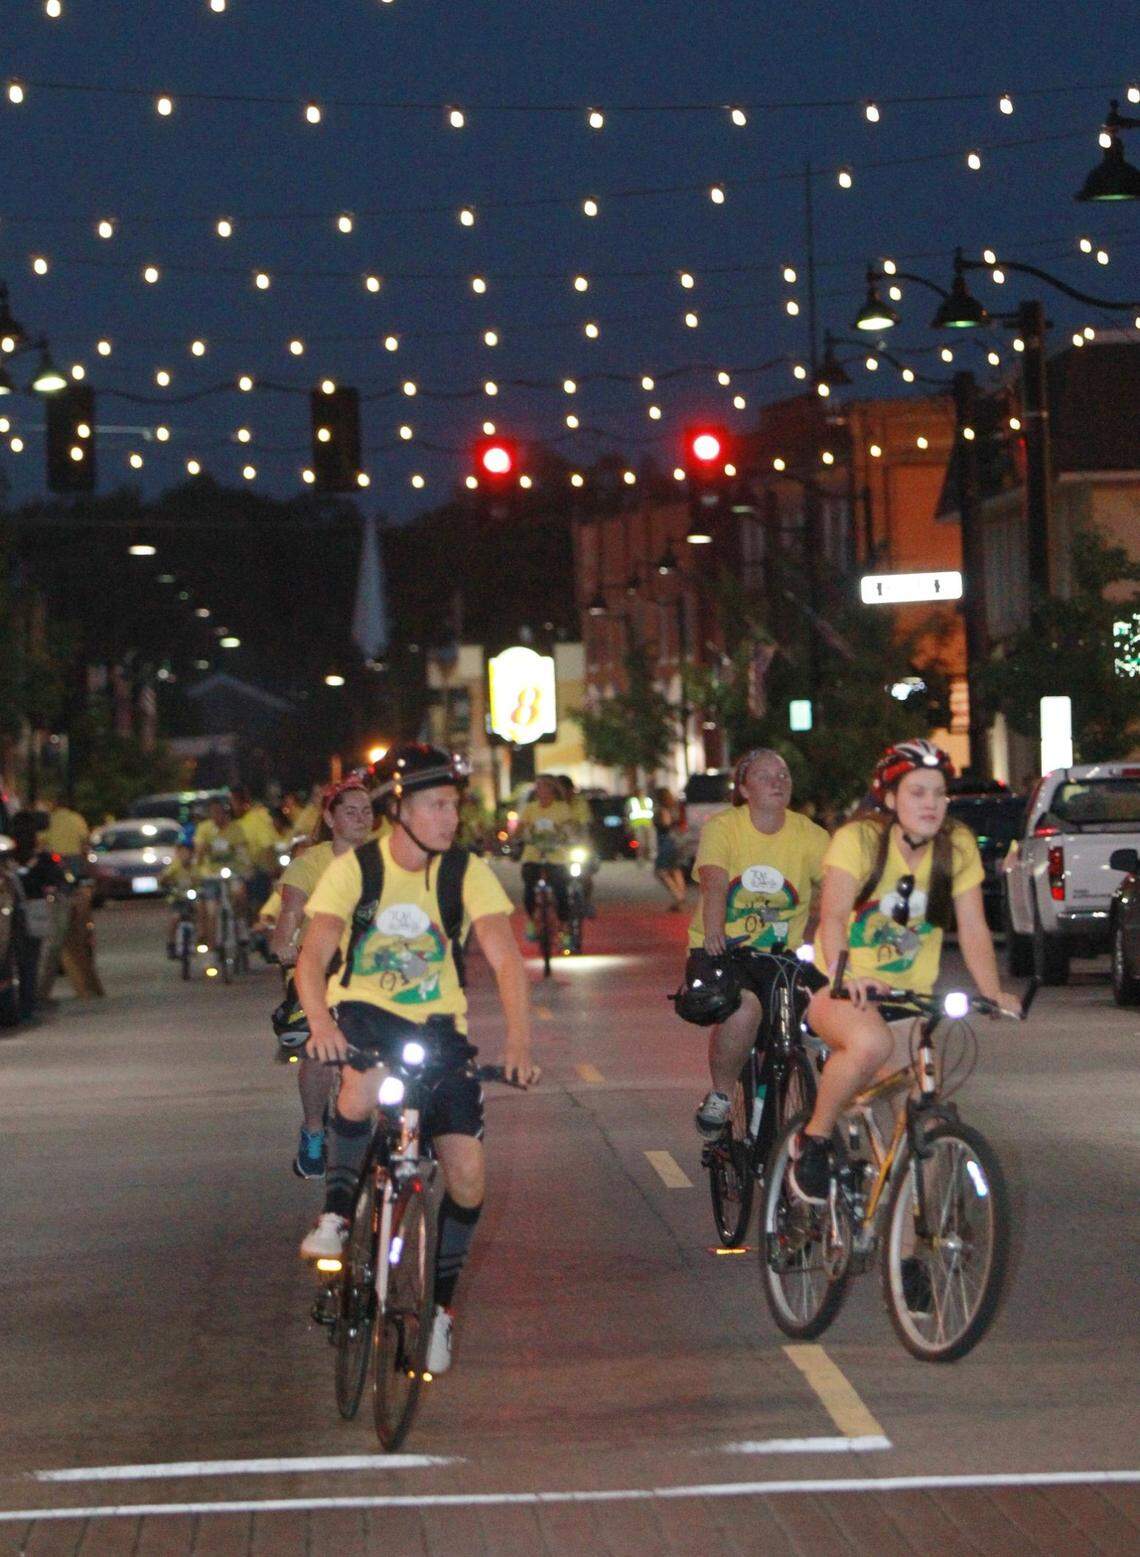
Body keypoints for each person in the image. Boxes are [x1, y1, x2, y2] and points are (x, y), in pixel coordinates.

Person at [295, 743, 539, 1376]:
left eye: (454, 806)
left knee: (468, 1177)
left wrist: (518, 1041)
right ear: (397, 809)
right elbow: (315, 950)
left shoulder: (466, 872)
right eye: (437, 805)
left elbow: (506, 958)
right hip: (365, 1015)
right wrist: (319, 1020)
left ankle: (441, 1314)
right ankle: (336, 1217)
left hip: (438, 1029)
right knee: (360, 1084)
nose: (450, 818)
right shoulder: (356, 870)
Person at [792, 738, 1019, 1205]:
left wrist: (994, 992)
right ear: (890, 798)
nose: (931, 804)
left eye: (939, 793)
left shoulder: (955, 845)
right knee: (871, 1043)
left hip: (907, 996)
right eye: (917, 793)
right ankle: (813, 1141)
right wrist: (845, 972)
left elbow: (974, 927)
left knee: (926, 1129)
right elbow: (832, 918)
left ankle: (910, 1262)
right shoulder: (858, 840)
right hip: (838, 987)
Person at [690, 749, 829, 1136]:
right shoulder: (724, 828)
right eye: (765, 775)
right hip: (724, 948)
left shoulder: (808, 834)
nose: (777, 781)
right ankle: (721, 1095)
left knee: (831, 1004)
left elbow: (840, 884)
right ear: (744, 789)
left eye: (783, 774)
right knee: (746, 1007)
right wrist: (715, 930)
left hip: (781, 957)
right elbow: (714, 880)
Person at [270, 776, 376, 1178]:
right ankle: (314, 1131)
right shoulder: (310, 863)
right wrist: (284, 943)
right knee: (320, 1047)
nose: (360, 818)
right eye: (350, 811)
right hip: (321, 970)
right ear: (330, 819)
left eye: (366, 811)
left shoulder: (389, 860)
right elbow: (291, 914)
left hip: (377, 973)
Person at [10, 811, 69, 1023]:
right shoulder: (43, 858)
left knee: (21, 959)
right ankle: (28, 1005)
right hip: (35, 912)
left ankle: (25, 1004)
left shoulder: (9, 859)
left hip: (14, 914)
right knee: (31, 960)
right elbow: (58, 881)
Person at [517, 774, 574, 948]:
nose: (541, 791)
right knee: (529, 887)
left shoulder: (562, 808)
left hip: (556, 856)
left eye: (545, 787)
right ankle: (532, 922)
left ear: (552, 790)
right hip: (533, 855)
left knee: (561, 890)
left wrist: (564, 834)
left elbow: (569, 828)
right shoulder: (530, 809)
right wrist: (523, 834)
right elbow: (519, 829)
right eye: (538, 787)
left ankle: (564, 929)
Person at [192, 797, 250, 951]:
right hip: (210, 875)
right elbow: (199, 853)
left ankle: (241, 923)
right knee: (211, 910)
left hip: (233, 872)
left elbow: (242, 852)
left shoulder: (236, 828)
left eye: (219, 812)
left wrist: (246, 867)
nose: (216, 816)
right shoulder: (204, 829)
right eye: (213, 813)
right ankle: (212, 947)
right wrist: (196, 870)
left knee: (239, 894)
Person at [229, 784, 278, 915]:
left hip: (259, 872)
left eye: (233, 802)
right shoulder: (239, 823)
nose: (232, 807)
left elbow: (267, 846)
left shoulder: (257, 818)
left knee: (259, 907)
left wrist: (271, 871)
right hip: (244, 871)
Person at [158, 841, 197, 959]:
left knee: (198, 914)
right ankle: (171, 944)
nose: (185, 855)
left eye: (188, 852)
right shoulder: (174, 866)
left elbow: (201, 879)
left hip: (192, 899)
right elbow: (163, 878)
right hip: (177, 898)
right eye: (182, 852)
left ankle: (199, 939)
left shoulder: (196, 867)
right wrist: (166, 884)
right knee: (175, 918)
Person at [652, 787, 688, 911]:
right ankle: (680, 898)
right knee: (675, 869)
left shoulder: (663, 810)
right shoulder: (675, 808)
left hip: (666, 843)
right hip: (677, 841)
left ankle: (678, 895)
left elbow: (665, 824)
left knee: (660, 871)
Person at [38, 800, 89, 876]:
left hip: (55, 856)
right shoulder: (77, 818)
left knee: (55, 876)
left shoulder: (50, 818)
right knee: (74, 877)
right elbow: (84, 837)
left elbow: (41, 838)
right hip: (74, 855)